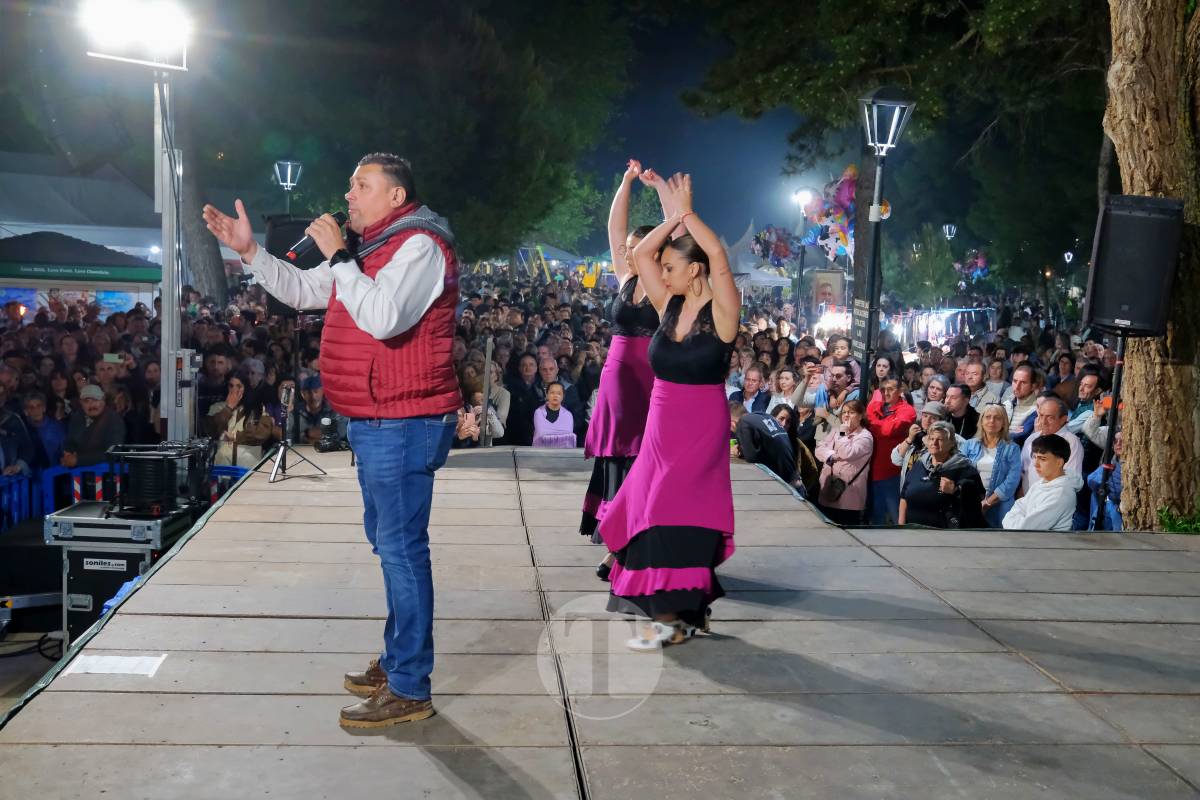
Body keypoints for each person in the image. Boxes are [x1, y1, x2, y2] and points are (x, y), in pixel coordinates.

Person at [204, 152, 459, 729]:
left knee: (400, 549)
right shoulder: (371, 248)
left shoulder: (418, 246)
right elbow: (300, 289)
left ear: (396, 198)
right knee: (389, 543)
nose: (348, 196)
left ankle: (410, 685)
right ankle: (399, 661)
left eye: (360, 186)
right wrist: (250, 252)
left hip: (405, 418)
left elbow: (386, 316)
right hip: (377, 417)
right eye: (349, 185)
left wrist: (342, 256)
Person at [598, 173, 739, 652]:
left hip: (701, 425)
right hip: (661, 423)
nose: (661, 270)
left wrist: (688, 217)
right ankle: (681, 614)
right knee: (647, 508)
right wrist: (673, 218)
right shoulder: (667, 303)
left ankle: (672, 619)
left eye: (672, 266)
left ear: (694, 271)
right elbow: (639, 255)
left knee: (678, 511)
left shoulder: (722, 312)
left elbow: (717, 254)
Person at [583, 160, 668, 568]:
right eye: (630, 247)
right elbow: (614, 230)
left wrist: (664, 192)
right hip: (616, 384)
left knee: (640, 461)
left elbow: (680, 232)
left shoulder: (665, 286)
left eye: (639, 247)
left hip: (650, 383)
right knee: (616, 460)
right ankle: (617, 545)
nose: (629, 251)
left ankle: (626, 548)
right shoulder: (625, 279)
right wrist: (626, 183)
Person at [898, 421, 986, 528]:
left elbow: (978, 500)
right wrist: (901, 527)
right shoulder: (919, 464)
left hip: (946, 537)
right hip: (913, 532)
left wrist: (956, 490)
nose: (934, 443)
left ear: (951, 443)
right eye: (931, 439)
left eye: (939, 440)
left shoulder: (964, 469)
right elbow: (904, 497)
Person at [1004, 434, 1082, 531]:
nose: (1035, 464)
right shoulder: (1041, 483)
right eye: (1034, 457)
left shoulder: (1061, 494)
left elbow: (1024, 529)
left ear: (1059, 462)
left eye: (1042, 459)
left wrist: (1012, 519)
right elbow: (1019, 506)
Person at [865, 376, 916, 525]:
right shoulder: (874, 406)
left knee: (896, 519)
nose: (886, 393)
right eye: (883, 389)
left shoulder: (908, 410)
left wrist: (873, 423)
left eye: (891, 389)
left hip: (892, 473)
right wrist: (882, 424)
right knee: (874, 519)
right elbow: (884, 427)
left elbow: (888, 430)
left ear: (900, 391)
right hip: (871, 471)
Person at [961, 404, 1022, 527]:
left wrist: (987, 502)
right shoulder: (968, 445)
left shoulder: (1012, 448)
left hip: (1000, 504)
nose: (991, 421)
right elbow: (960, 472)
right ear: (981, 421)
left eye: (997, 418)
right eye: (987, 417)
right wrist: (977, 503)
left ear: (1004, 422)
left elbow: (1012, 481)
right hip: (971, 502)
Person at [814, 400, 874, 526]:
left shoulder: (865, 437)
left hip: (849, 497)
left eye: (851, 412)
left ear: (861, 415)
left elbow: (847, 453)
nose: (846, 415)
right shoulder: (836, 430)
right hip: (828, 491)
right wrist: (831, 456)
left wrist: (842, 434)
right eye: (844, 412)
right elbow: (819, 449)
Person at [203, 375, 273, 468]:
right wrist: (228, 408)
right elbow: (211, 430)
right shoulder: (217, 407)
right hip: (222, 466)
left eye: (239, 386)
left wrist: (235, 436)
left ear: (246, 388)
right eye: (231, 386)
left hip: (248, 467)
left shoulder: (257, 408)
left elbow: (261, 434)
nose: (234, 389)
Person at [1020, 395, 1083, 494]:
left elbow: (1072, 481)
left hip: (1051, 502)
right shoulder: (1032, 438)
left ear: (1063, 419)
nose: (1043, 422)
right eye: (1041, 415)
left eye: (1050, 417)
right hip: (1026, 500)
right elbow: (1023, 471)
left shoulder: (1072, 442)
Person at [730, 402, 797, 487]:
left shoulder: (744, 422)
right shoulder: (763, 415)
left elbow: (752, 458)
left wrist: (738, 452)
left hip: (786, 485)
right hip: (794, 478)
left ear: (732, 423)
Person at [62, 384, 125, 468]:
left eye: (95, 400)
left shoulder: (114, 420)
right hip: (78, 473)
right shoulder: (77, 417)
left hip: (106, 473)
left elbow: (113, 453)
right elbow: (70, 442)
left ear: (103, 400)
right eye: (86, 401)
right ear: (81, 403)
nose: (91, 405)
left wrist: (78, 460)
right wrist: (68, 454)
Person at [1086, 430, 1123, 531]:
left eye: (1122, 441)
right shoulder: (1112, 461)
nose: (1118, 444)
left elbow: (1118, 491)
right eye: (1115, 441)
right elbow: (1091, 480)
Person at [533, 382, 576, 447]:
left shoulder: (568, 415)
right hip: (541, 453)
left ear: (563, 396)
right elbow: (541, 434)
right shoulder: (539, 412)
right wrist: (560, 435)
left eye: (559, 393)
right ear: (547, 394)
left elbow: (568, 438)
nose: (555, 395)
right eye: (552, 393)